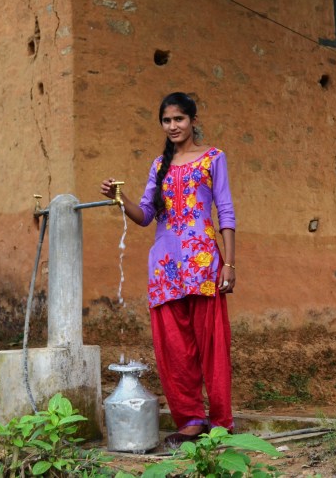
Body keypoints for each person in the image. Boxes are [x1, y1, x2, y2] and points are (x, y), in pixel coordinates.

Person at [100, 91, 236, 446]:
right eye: (167, 120)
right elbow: (145, 215)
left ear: (192, 121)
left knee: (212, 347)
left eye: (179, 119)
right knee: (174, 350)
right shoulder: (158, 167)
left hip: (204, 263)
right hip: (164, 269)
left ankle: (221, 420)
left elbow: (225, 211)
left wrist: (230, 264)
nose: (173, 126)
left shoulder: (213, 158)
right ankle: (191, 418)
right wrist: (119, 198)